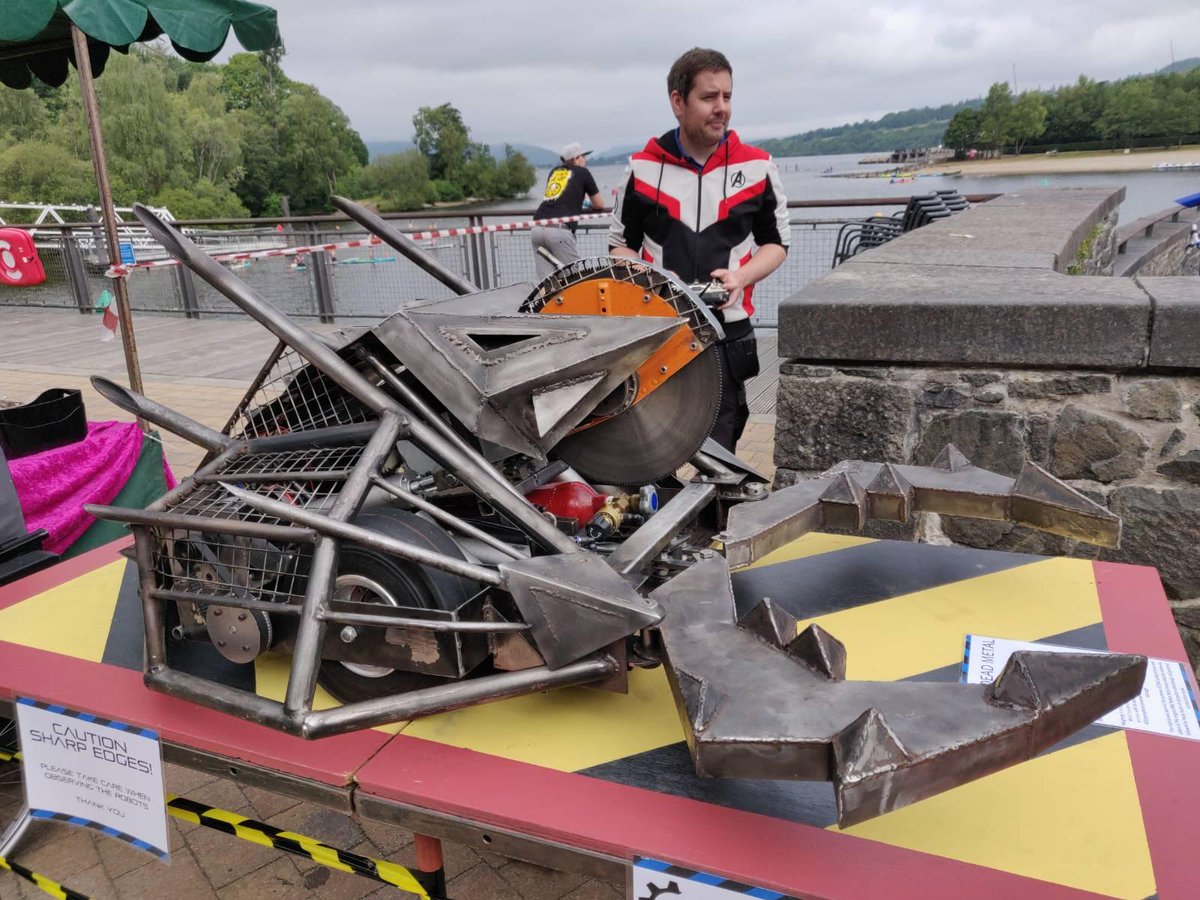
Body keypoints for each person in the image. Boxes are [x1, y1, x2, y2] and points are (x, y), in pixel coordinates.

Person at [608, 47, 790, 453]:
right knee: (652, 449)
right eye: (709, 97)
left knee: (723, 451)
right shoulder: (641, 169)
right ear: (678, 102)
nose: (721, 107)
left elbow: (776, 244)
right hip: (658, 330)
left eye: (727, 96)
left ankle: (717, 498)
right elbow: (621, 247)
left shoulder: (759, 167)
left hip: (728, 330)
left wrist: (741, 277)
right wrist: (653, 279)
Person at [531, 142, 607, 279]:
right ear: (575, 159)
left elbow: (559, 196)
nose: (585, 160)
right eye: (583, 156)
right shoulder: (583, 172)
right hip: (559, 231)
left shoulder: (555, 171)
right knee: (575, 278)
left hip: (537, 227)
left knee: (547, 282)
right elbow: (599, 204)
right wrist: (588, 204)